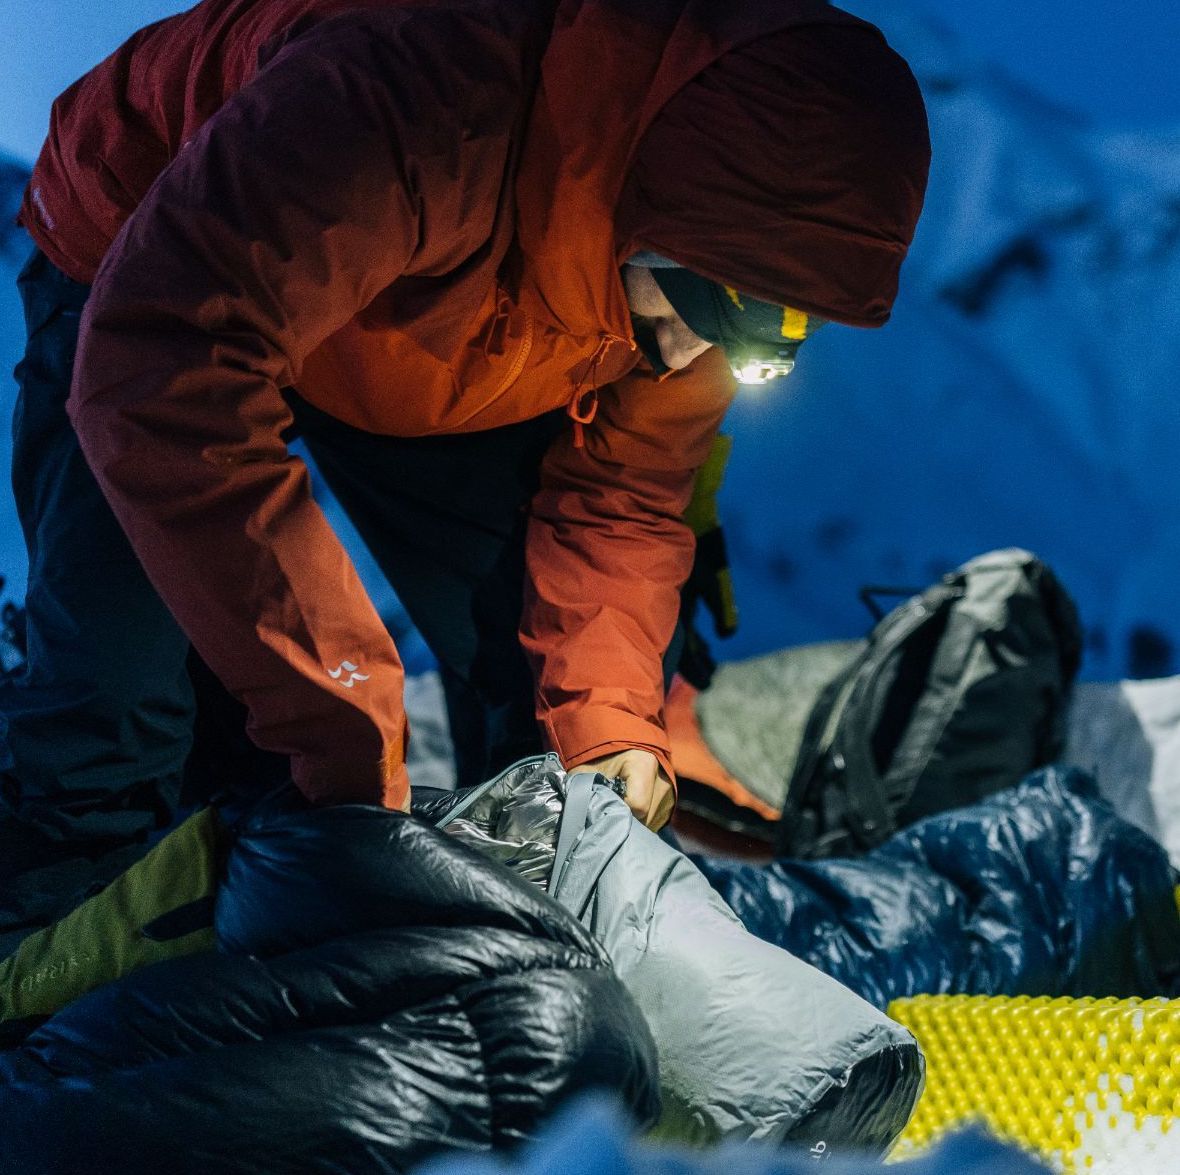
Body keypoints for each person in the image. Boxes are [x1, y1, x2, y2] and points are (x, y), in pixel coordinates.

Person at [2, 0, 930, 860]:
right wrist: (344, 718)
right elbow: (166, 363)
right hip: (155, 274)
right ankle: (48, 960)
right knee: (119, 697)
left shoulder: (703, 296)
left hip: (452, 338)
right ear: (651, 210)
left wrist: (608, 728)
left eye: (774, 337)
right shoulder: (410, 98)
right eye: (711, 307)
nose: (698, 357)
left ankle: (481, 925)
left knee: (543, 703)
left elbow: (622, 505)